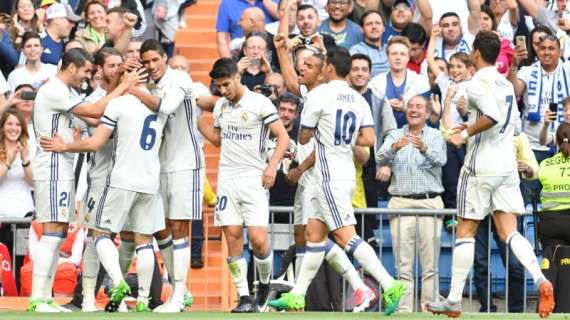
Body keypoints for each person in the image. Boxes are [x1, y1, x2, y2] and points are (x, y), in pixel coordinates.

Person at [426, 31, 554, 319]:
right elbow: (515, 126)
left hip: (480, 165)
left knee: (466, 231)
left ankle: (454, 300)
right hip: (507, 164)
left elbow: (493, 115)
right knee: (509, 231)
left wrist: (467, 131)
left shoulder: (476, 83)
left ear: (475, 52)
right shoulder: (507, 85)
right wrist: (468, 117)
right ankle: (541, 280)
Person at [268, 47, 405, 315]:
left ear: (329, 67)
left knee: (346, 236)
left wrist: (323, 132)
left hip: (329, 175)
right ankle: (297, 294)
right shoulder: (358, 99)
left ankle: (389, 283)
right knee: (314, 237)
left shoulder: (320, 94)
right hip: (343, 171)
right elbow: (368, 139)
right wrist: (340, 136)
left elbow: (305, 137)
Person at [40, 68, 167, 313]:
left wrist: (64, 146)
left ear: (125, 80)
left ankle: (118, 282)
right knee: (144, 241)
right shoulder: (158, 107)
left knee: (99, 234)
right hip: (150, 183)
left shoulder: (118, 105)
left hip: (120, 180)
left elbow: (95, 142)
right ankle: (142, 300)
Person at [27, 47, 137, 312]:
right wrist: (124, 85)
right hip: (52, 166)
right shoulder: (54, 90)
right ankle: (37, 297)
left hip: (63, 167)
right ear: (72, 67)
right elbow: (97, 108)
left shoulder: (67, 93)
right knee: (52, 234)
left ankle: (46, 297)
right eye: (86, 71)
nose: (89, 77)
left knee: (59, 233)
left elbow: (94, 115)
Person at [198, 57, 289, 313]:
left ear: (237, 78)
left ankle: (264, 283)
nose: (223, 91)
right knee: (233, 237)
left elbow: (282, 137)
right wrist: (197, 122)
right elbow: (218, 139)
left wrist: (271, 166)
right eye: (219, 87)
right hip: (227, 179)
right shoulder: (220, 107)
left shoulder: (260, 103)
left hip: (254, 177)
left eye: (226, 84)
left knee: (259, 240)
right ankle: (244, 296)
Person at [126, 39, 205, 313]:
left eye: (154, 60)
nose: (151, 66)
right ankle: (181, 292)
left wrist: (133, 89)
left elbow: (165, 107)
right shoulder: (149, 86)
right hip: (159, 165)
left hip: (186, 163)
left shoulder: (180, 79)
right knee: (160, 228)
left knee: (179, 227)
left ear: (164, 58)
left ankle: (179, 294)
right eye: (146, 62)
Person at [377, 95, 446, 312]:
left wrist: (424, 148)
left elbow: (441, 160)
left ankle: (428, 309)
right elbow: (379, 157)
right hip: (401, 203)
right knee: (403, 264)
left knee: (430, 265)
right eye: (411, 107)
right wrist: (393, 148)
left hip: (429, 203)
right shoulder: (395, 135)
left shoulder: (435, 136)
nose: (414, 110)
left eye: (419, 107)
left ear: (427, 113)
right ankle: (404, 310)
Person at [507, 33, 568, 204]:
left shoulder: (568, 70)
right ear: (537, 51)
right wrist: (514, 64)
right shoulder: (527, 71)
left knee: (558, 201)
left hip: (563, 146)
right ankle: (528, 232)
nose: (546, 52)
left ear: (559, 51)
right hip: (531, 147)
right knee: (529, 201)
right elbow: (514, 91)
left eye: (551, 48)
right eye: (542, 48)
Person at [537, 123, 570, 313]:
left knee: (551, 261)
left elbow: (533, 177)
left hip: (550, 225)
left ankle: (547, 309)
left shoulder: (546, 164)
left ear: (556, 141)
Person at [369, 36, 431, 128]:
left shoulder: (421, 83)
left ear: (408, 57)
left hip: (413, 137)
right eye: (394, 54)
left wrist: (405, 109)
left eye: (402, 54)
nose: (398, 57)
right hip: (382, 136)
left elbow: (427, 116)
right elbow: (369, 115)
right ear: (387, 56)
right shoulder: (375, 83)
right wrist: (385, 107)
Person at [0, 108, 33, 220]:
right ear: (2, 127)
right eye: (9, 124)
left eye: (18, 124)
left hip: (25, 214)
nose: (14, 128)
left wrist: (25, 160)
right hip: (2, 215)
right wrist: (9, 161)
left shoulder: (30, 150)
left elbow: (34, 183)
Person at [349, 10, 389, 77]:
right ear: (362, 29)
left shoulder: (391, 49)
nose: (374, 27)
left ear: (384, 28)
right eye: (369, 24)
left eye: (378, 23)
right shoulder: (356, 51)